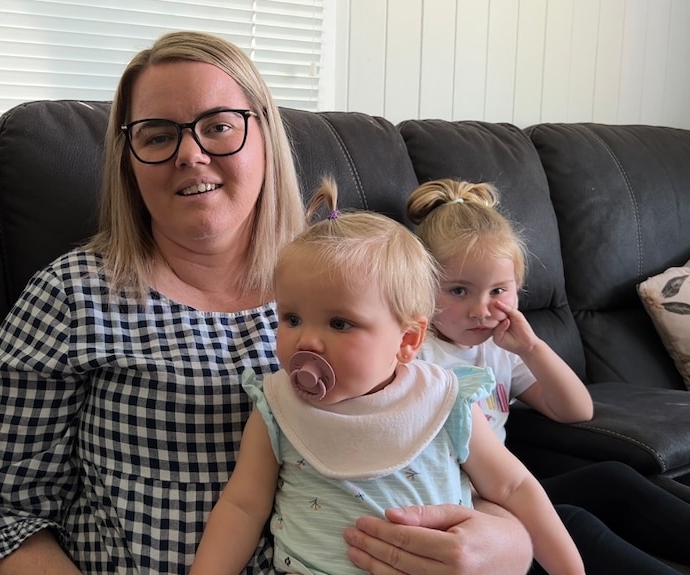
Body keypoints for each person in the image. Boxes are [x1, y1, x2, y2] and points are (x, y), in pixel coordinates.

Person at [0, 31, 533, 575]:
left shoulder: (358, 281)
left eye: (218, 125)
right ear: (128, 160)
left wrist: (508, 544)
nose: (189, 154)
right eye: (157, 135)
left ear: (265, 136)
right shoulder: (69, 298)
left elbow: (454, 446)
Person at [190, 178, 583, 575]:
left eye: (340, 323)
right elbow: (242, 506)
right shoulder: (276, 406)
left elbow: (514, 488)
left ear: (408, 340)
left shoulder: (446, 399)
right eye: (291, 318)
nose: (306, 339)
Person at [409, 177, 690, 575]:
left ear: (519, 289)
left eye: (498, 291)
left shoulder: (500, 346)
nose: (481, 309)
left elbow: (576, 410)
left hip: (506, 492)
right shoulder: (416, 353)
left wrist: (532, 348)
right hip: (460, 503)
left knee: (614, 479)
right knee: (574, 523)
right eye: (458, 291)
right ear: (420, 287)